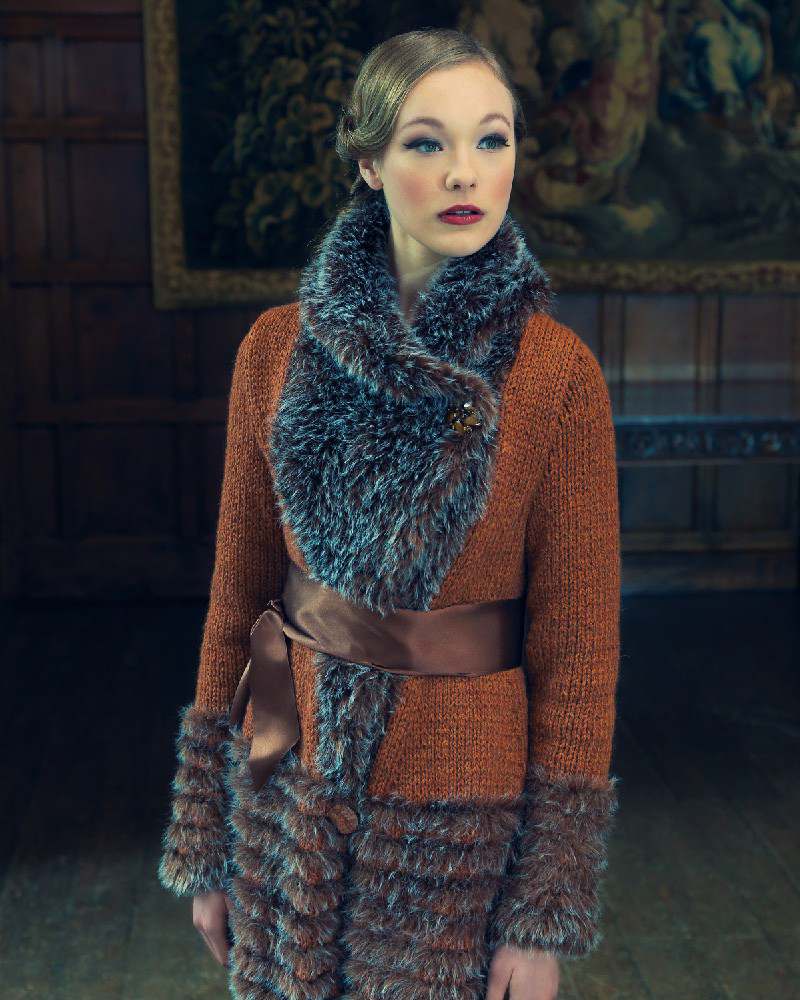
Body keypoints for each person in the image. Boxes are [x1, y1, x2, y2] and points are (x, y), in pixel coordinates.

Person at [157, 27, 621, 1000]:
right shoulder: (274, 350)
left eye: (490, 138)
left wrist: (542, 913)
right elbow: (236, 595)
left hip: (459, 803)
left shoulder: (555, 376)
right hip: (286, 782)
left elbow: (579, 657)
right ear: (367, 162)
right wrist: (206, 840)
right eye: (425, 141)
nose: (464, 171)